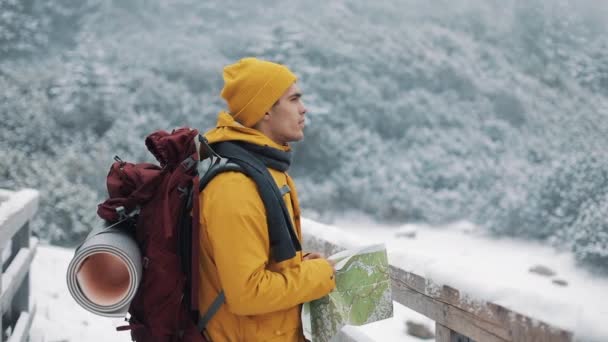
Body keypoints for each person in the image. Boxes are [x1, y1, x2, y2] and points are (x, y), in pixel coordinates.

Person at [198, 57, 336, 341]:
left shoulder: (267, 171)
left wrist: (302, 264)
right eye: (294, 99)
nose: (303, 108)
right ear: (265, 111)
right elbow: (248, 293)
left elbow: (261, 259)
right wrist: (320, 275)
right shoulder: (235, 187)